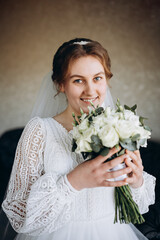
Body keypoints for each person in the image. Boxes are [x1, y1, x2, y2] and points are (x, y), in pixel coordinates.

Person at [1, 38, 156, 240]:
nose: (90, 91)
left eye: (97, 78)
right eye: (78, 80)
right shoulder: (39, 131)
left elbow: (137, 206)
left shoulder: (120, 126)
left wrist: (136, 182)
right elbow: (20, 217)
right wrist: (73, 182)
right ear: (61, 85)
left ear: (107, 80)